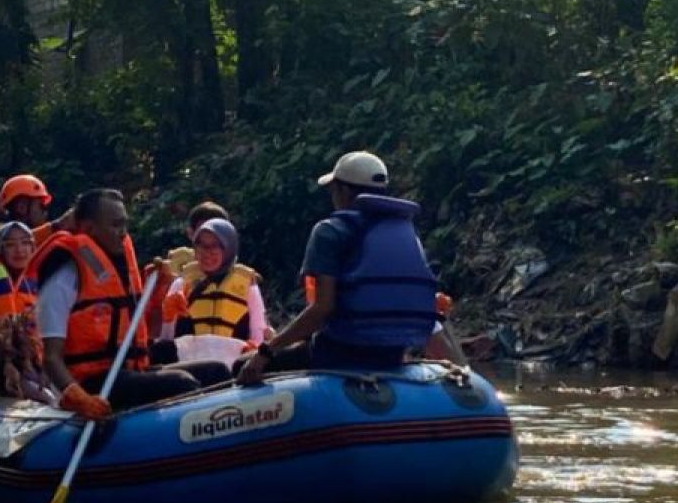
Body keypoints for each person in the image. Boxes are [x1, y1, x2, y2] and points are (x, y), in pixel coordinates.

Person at [236, 151, 438, 384]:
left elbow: (322, 309)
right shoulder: (405, 233)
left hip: (339, 352)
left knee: (241, 366)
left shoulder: (329, 231)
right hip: (392, 354)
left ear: (343, 191)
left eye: (333, 189)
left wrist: (266, 352)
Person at [29, 188, 229, 418]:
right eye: (115, 225)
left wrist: (157, 297)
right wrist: (76, 396)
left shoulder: (122, 268)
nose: (123, 233)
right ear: (88, 228)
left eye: (124, 224)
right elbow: (50, 357)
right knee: (182, 384)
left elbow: (147, 333)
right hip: (90, 382)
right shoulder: (64, 275)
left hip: (128, 370)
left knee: (217, 371)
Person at [160, 217, 269, 345]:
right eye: (201, 245)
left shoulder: (247, 284)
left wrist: (253, 348)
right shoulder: (181, 283)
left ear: (228, 249)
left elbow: (258, 334)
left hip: (233, 359)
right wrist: (168, 318)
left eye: (214, 246)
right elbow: (166, 338)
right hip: (190, 359)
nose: (207, 252)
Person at [0, 174, 74, 246]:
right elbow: (17, 243)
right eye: (41, 205)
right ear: (22, 207)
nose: (45, 211)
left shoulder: (49, 236)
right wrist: (58, 226)